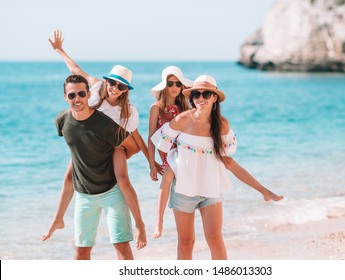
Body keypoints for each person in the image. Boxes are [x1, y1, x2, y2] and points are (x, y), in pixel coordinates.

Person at [151, 75, 283, 259]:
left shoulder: (221, 124)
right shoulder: (183, 119)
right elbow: (161, 145)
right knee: (186, 242)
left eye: (206, 94)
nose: (200, 98)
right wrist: (171, 166)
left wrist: (264, 190)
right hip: (183, 190)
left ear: (214, 97)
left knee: (215, 239)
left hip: (210, 189)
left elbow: (229, 162)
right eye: (196, 94)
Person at [47, 74, 145, 259]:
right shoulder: (62, 121)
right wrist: (58, 217)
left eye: (81, 94)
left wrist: (116, 156)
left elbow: (133, 147)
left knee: (121, 246)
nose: (77, 99)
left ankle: (140, 226)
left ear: (88, 94)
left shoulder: (105, 124)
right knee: (81, 250)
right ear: (65, 97)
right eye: (72, 95)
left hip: (111, 191)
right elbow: (76, 154)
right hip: (84, 195)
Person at [147, 66, 193, 238]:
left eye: (178, 84)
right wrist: (151, 164)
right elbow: (151, 137)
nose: (174, 87)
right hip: (168, 152)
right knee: (167, 176)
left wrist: (190, 92)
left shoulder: (185, 106)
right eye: (170, 83)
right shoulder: (156, 108)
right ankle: (159, 222)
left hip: (185, 150)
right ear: (164, 86)